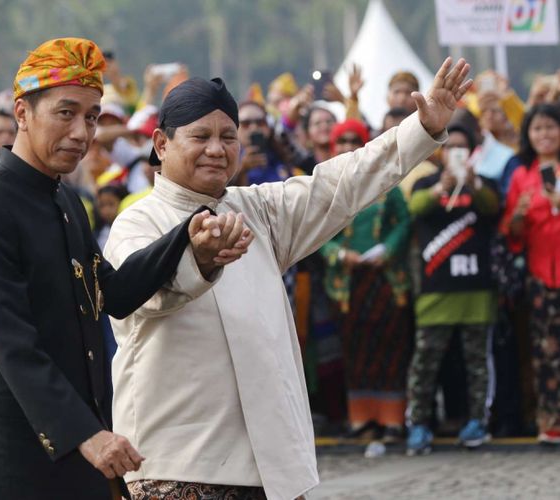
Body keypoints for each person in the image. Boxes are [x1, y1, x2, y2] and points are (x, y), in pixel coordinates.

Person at [105, 58, 472, 499]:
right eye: (200, 136)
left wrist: (419, 131)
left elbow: (342, 182)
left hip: (270, 465)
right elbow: (135, 294)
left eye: (228, 137)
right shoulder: (137, 222)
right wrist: (196, 258)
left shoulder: (257, 210)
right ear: (161, 144)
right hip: (178, 462)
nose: (217, 149)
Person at [0, 37, 251, 500]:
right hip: (20, 448)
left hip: (85, 440)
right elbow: (9, 341)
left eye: (91, 117)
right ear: (22, 113)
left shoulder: (66, 200)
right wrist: (84, 434)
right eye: (66, 113)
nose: (81, 132)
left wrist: (186, 236)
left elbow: (111, 292)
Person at [405, 124, 500, 455]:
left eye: (462, 147)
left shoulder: (484, 184)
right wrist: (439, 190)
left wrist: (471, 184)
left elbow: (492, 207)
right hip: (436, 289)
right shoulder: (426, 183)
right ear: (441, 151)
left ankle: (478, 422)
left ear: (472, 152)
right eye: (450, 146)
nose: (455, 151)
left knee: (477, 361)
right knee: (426, 361)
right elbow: (414, 208)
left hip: (476, 289)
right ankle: (418, 425)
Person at [319, 119, 412, 446]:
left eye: (353, 140)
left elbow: (404, 222)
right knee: (355, 352)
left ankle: (392, 420)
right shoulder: (323, 187)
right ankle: (361, 418)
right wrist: (339, 255)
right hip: (345, 284)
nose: (346, 146)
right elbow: (312, 233)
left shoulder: (386, 182)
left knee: (389, 351)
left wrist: (387, 249)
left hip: (384, 280)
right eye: (340, 141)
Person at [501, 104, 560, 444]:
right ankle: (549, 421)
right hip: (539, 276)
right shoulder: (523, 174)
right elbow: (512, 234)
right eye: (537, 129)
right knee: (544, 352)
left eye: (551, 127)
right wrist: (519, 215)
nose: (544, 134)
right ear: (528, 135)